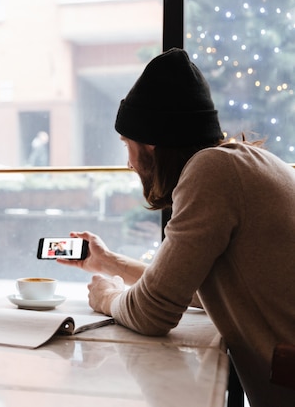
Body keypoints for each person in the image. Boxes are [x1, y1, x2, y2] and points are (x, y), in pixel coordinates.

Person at [57, 48, 295, 406]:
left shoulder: (211, 172)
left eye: (128, 145)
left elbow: (152, 313)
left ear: (152, 145)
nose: (128, 163)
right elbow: (195, 289)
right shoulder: (248, 163)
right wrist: (110, 262)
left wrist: (107, 298)